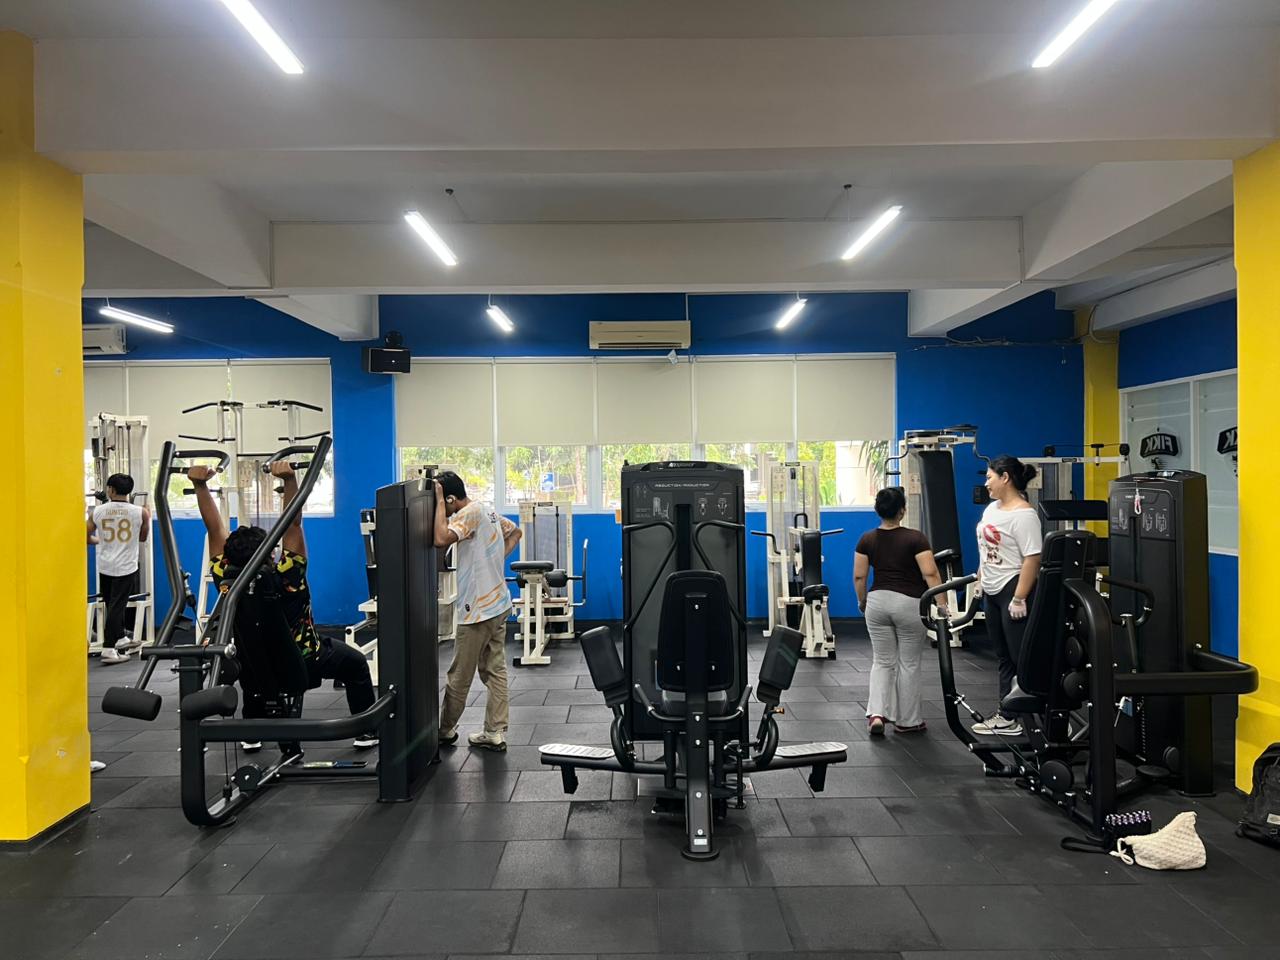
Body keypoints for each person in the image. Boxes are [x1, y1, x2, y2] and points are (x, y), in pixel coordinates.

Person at [187, 461, 378, 752]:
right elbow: (293, 524)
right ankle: (365, 732)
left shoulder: (226, 580)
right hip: (305, 660)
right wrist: (290, 479)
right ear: (270, 555)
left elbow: (213, 528)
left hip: (255, 667)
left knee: (255, 666)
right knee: (355, 664)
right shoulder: (288, 575)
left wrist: (200, 486)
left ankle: (252, 732)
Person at [433, 470, 521, 753]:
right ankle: (494, 732)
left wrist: (437, 501)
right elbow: (515, 532)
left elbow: (440, 538)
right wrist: (493, 559)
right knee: (495, 671)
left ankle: (444, 730)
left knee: (460, 674)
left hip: (478, 611)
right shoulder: (485, 509)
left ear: (450, 498)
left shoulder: (468, 513)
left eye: (442, 501)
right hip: (498, 603)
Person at [854, 487, 945, 736]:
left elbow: (859, 576)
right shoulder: (916, 538)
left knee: (882, 661)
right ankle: (908, 721)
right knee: (909, 663)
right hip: (909, 603)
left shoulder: (866, 539)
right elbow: (930, 573)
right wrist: (942, 604)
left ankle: (876, 714)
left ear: (878, 510)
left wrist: (862, 601)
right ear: (902, 511)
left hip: (877, 602)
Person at [971, 454, 1043, 737]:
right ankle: (1008, 714)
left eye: (990, 477)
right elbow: (987, 548)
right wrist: (980, 578)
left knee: (1021, 657)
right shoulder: (992, 509)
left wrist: (1020, 597)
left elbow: (1032, 558)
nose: (986, 483)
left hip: (1013, 588)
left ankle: (1040, 715)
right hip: (992, 589)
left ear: (1005, 478)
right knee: (1003, 656)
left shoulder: (1024, 515)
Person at [86, 473, 151, 664]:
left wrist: (98, 541)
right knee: (117, 606)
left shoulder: (98, 511)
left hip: (105, 565)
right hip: (126, 566)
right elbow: (142, 538)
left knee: (111, 604)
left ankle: (120, 637)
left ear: (110, 490)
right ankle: (108, 648)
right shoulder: (140, 512)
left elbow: (85, 536)